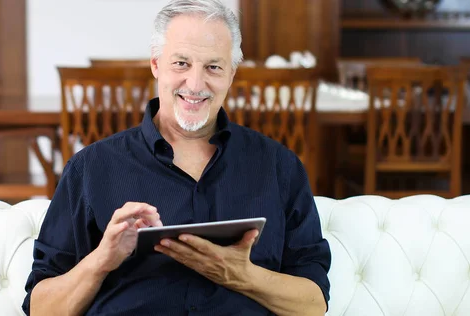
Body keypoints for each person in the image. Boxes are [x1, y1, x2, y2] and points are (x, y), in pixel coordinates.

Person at [22, 0, 331, 315]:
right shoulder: (90, 168)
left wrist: (243, 276)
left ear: (232, 73)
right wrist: (102, 260)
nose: (196, 84)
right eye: (181, 63)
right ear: (156, 64)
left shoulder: (279, 166)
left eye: (213, 66)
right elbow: (41, 308)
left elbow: (314, 304)